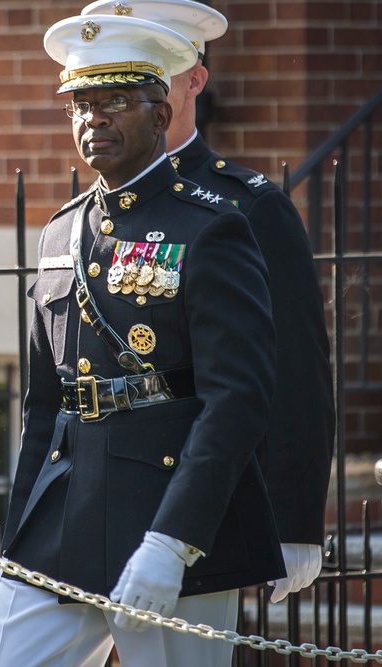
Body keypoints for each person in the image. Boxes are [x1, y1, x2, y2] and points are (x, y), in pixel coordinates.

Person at [0, 15, 286, 666]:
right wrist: (18, 533)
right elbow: (43, 404)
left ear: (160, 112)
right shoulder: (59, 234)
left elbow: (236, 400)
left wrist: (174, 539)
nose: (94, 118)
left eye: (115, 100)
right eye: (81, 104)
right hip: (64, 511)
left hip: (169, 508)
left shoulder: (210, 228)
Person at [82, 0, 335, 605]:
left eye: (148, 68)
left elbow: (293, 368)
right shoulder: (96, 208)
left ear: (191, 78)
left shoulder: (246, 204)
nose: (121, 89)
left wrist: (295, 518)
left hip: (198, 502)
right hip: (98, 492)